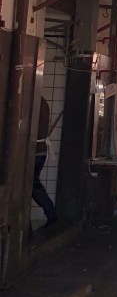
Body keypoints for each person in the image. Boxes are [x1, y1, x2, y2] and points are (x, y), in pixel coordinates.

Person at [32, 96, 57, 226]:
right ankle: (50, 214)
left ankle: (51, 214)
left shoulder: (33, 100)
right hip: (40, 150)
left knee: (32, 185)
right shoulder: (43, 102)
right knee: (32, 185)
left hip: (34, 150)